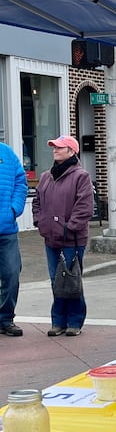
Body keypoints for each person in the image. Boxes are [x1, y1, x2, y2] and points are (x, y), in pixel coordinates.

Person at [32, 135, 94, 337]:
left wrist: (69, 227)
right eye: (54, 147)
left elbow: (84, 207)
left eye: (59, 147)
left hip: (72, 239)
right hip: (50, 238)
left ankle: (75, 322)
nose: (55, 150)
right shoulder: (45, 177)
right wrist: (39, 222)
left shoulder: (81, 176)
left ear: (71, 151)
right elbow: (37, 203)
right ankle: (58, 322)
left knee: (71, 280)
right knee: (55, 281)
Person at [0, 142, 28, 337]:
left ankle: (6, 319)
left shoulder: (6, 153)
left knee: (11, 274)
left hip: (7, 228)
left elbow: (21, 182)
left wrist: (14, 209)